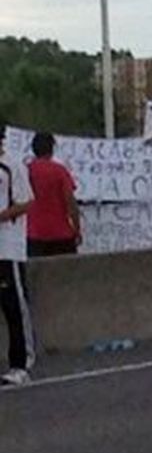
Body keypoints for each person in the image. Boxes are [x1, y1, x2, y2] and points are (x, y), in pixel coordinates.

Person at [0, 132, 35, 386]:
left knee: (14, 308)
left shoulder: (13, 166)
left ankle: (21, 364)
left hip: (8, 247)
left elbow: (26, 202)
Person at [26, 132, 80, 257]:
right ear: (52, 148)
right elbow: (71, 203)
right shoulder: (59, 171)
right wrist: (77, 229)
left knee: (36, 275)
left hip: (34, 235)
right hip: (61, 234)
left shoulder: (25, 171)